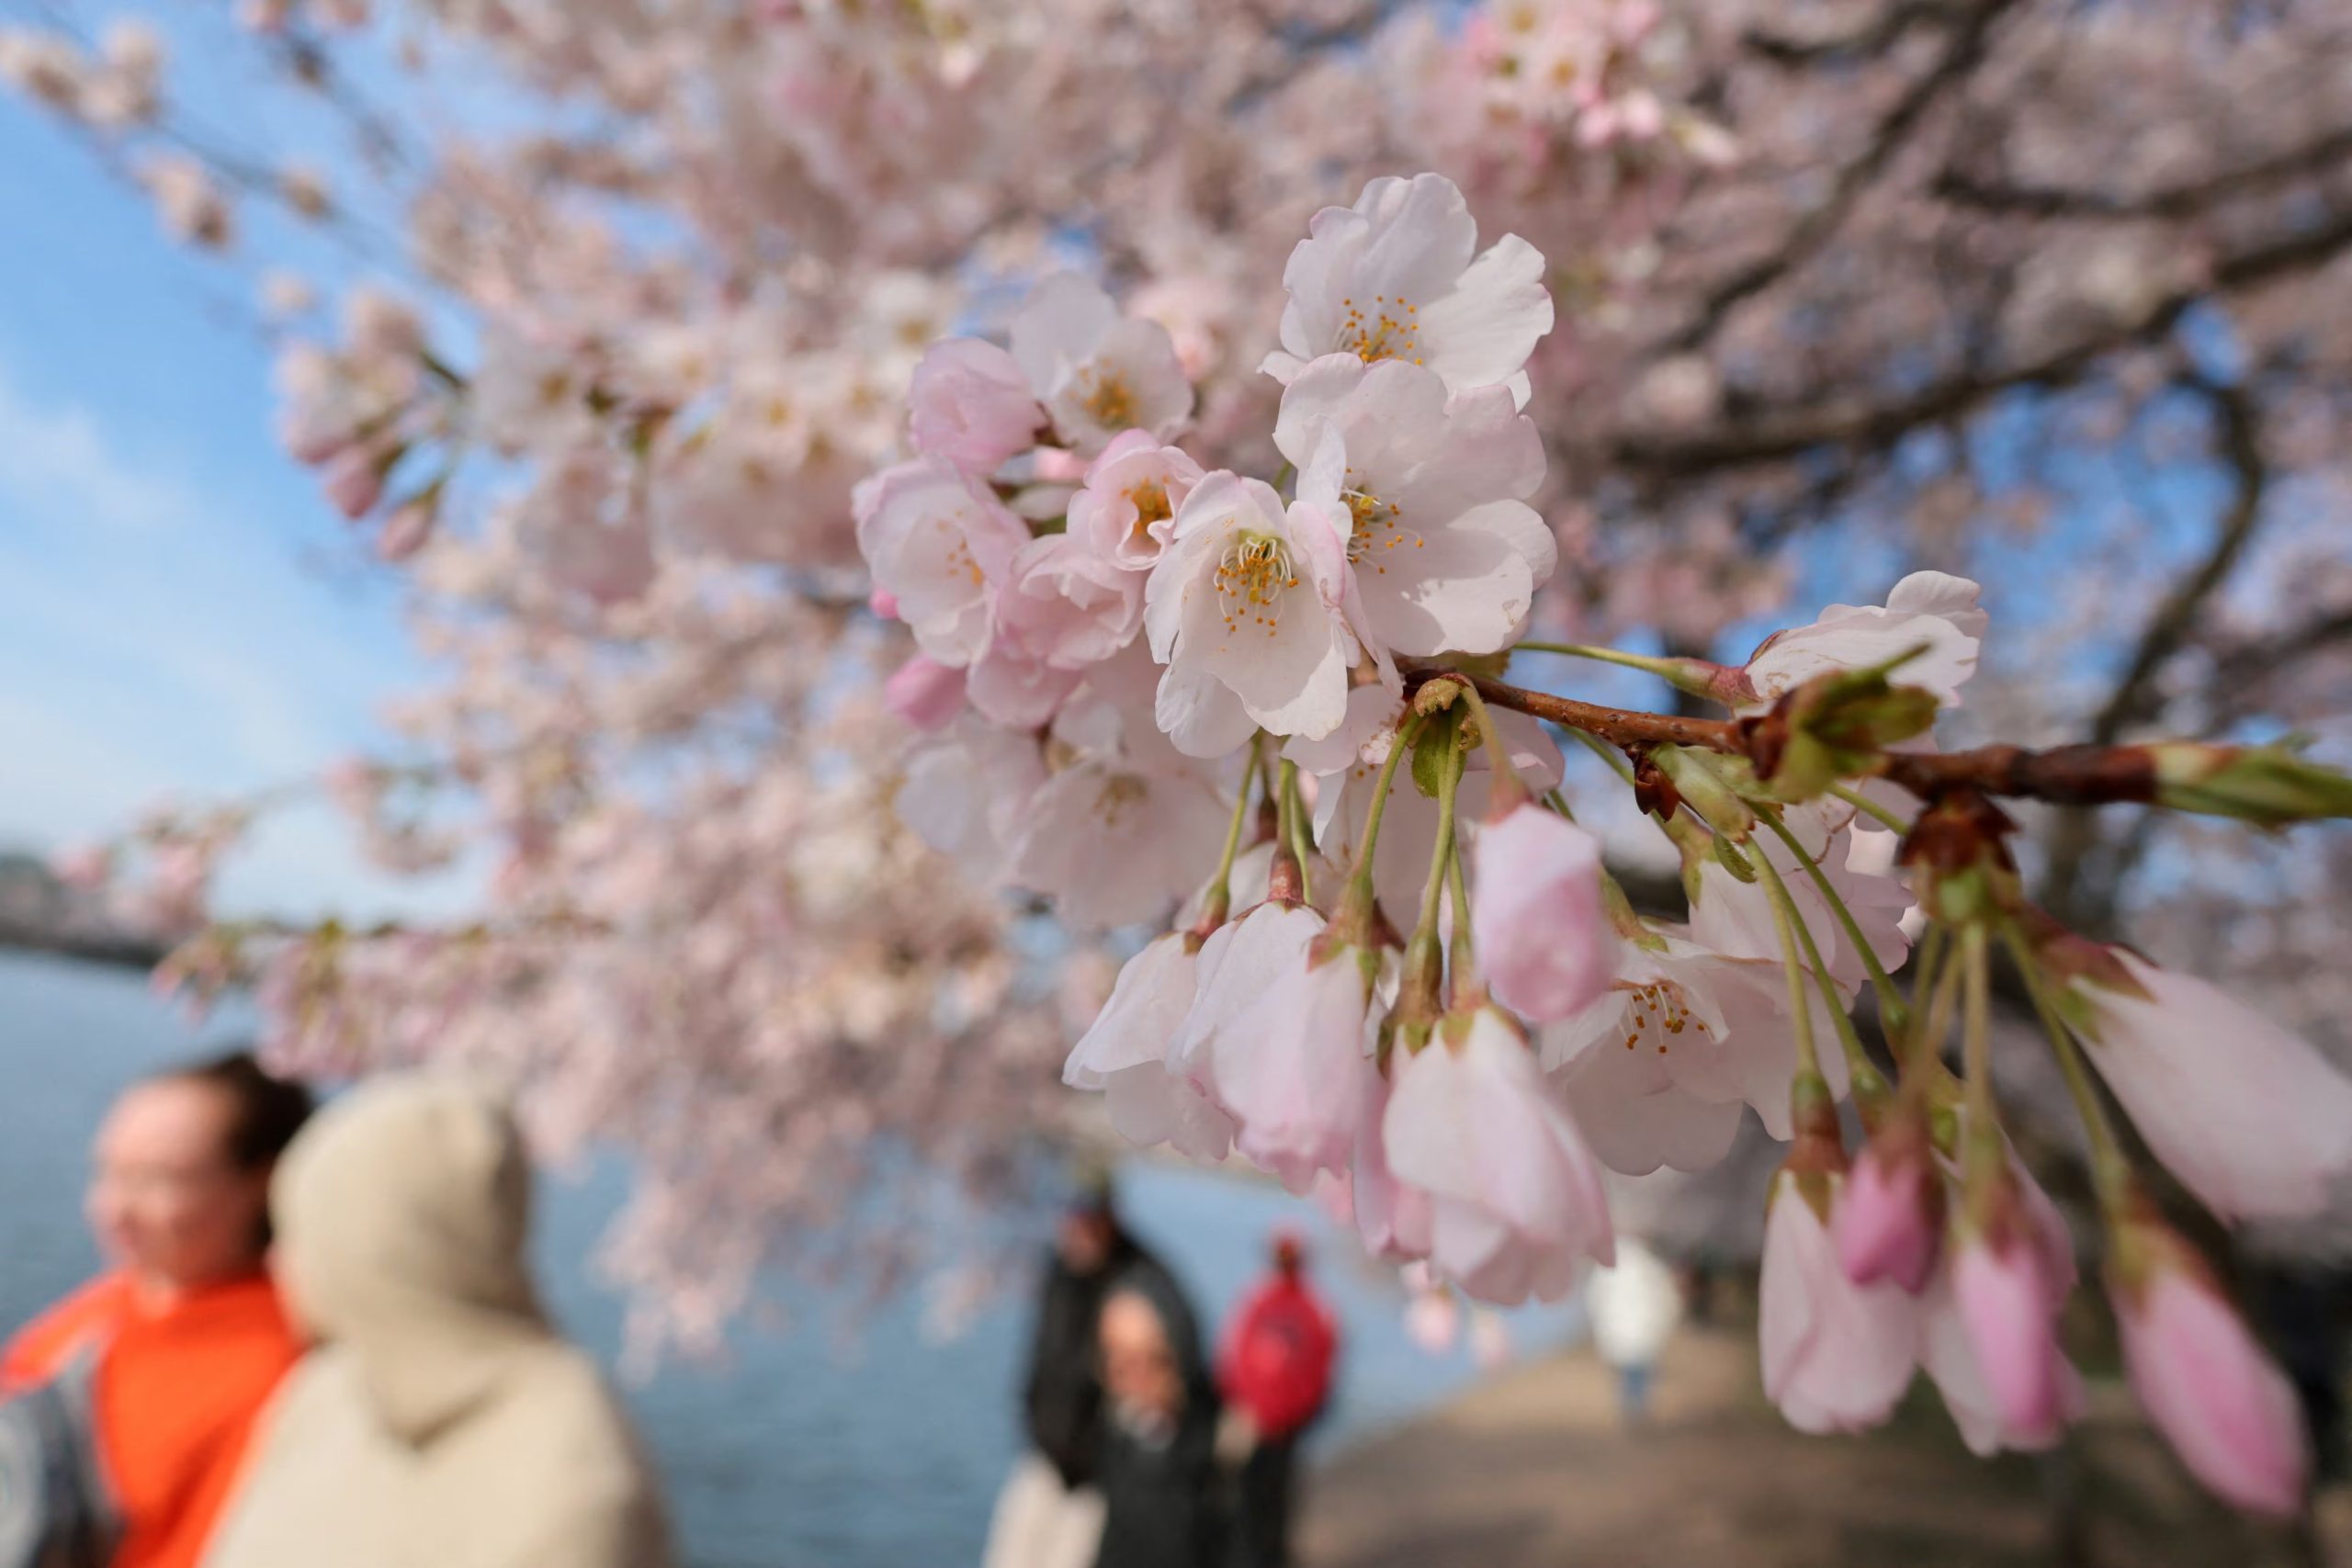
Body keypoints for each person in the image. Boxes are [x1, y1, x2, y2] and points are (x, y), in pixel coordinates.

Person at [202, 1076, 673, 1568]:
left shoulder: (578, 1479)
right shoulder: (327, 1392)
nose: (279, 1261)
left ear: (373, 1247)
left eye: (300, 1232)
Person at [1, 1051, 313, 1568]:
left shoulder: (279, 1370)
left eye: (161, 1179)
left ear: (263, 1182)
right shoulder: (109, 1305)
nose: (115, 1209)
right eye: (108, 1172)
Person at [984, 1172, 1175, 1568]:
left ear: (1110, 1220)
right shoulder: (1060, 1271)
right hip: (1044, 1456)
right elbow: (1043, 1357)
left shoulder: (1140, 1283)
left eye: (1089, 1222)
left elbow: (1161, 1380)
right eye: (1071, 1221)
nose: (1077, 1233)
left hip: (1099, 1475)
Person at [1216, 1230, 1339, 1568]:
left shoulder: (1316, 1309)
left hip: (1288, 1430)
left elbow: (1322, 1370)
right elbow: (1232, 1358)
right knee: (1244, 1507)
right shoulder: (1255, 1300)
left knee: (1278, 1508)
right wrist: (1243, 1406)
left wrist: (1295, 1414)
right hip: (1252, 1425)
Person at [1092, 1267, 1224, 1568]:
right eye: (1117, 1361)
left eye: (1152, 1361)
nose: (1132, 1382)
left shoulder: (1226, 1447)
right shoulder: (1119, 1432)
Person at [1585, 1236, 1684, 1427]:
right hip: (1643, 1332)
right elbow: (1666, 1297)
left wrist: (1597, 1329)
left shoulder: (1606, 1270)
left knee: (1628, 1372)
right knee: (1640, 1371)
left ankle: (1631, 1407)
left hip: (1619, 1332)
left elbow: (1594, 1299)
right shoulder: (1650, 1267)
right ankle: (1638, 1407)